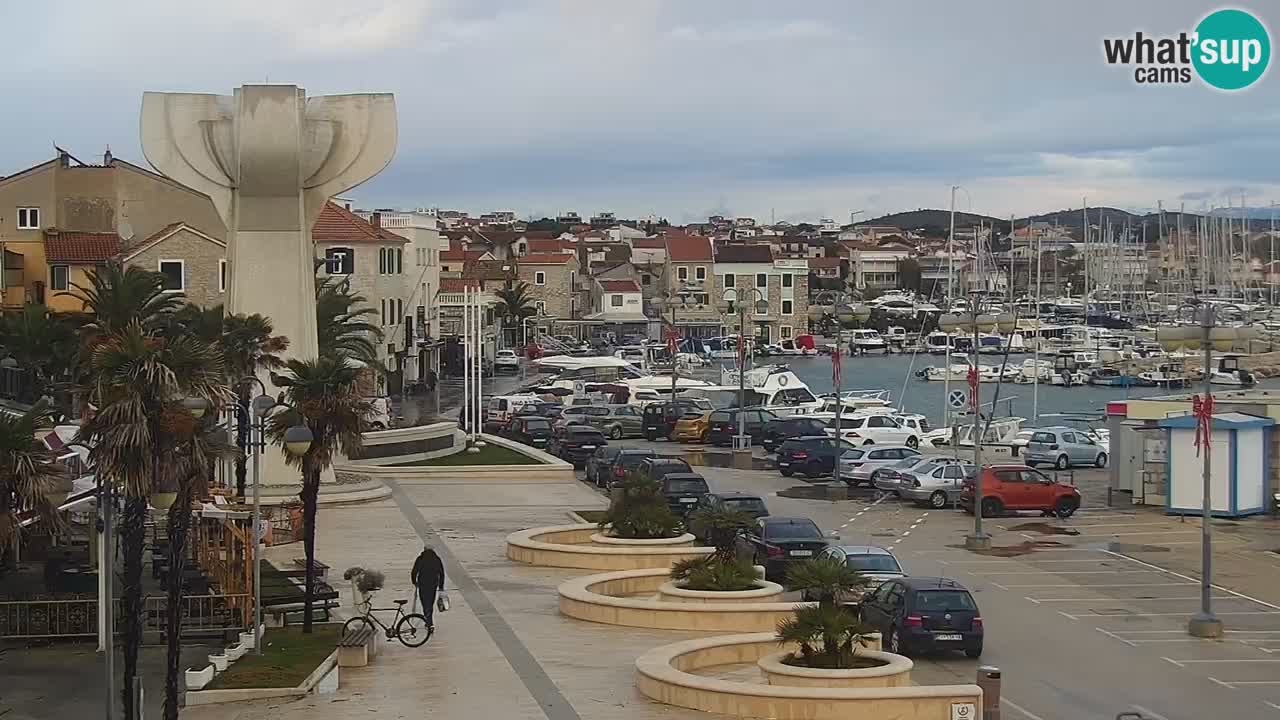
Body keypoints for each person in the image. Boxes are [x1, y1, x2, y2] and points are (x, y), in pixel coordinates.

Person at [410, 545, 445, 629]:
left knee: (424, 603)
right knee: (430, 603)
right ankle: (429, 621)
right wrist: (441, 585)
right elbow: (441, 573)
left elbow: (414, 571)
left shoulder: (420, 559)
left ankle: (428, 620)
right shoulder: (436, 559)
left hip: (423, 583)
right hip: (433, 584)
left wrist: (414, 582)